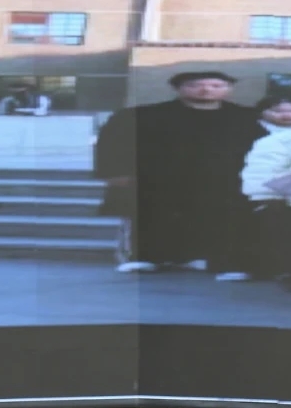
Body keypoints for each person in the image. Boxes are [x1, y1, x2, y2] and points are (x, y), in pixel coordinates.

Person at [93, 70, 261, 274]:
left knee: (212, 219)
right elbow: (112, 144)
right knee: (150, 217)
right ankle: (142, 257)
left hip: (220, 181)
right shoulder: (144, 115)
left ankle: (198, 256)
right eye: (194, 85)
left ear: (229, 89)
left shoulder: (246, 117)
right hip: (156, 180)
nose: (206, 90)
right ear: (178, 88)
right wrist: (115, 172)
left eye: (216, 86)